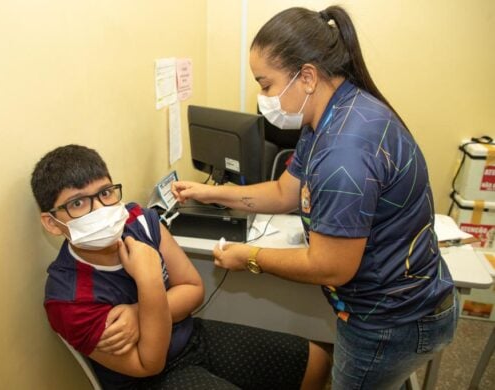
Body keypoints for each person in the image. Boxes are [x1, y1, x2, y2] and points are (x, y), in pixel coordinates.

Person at [172, 6, 457, 390]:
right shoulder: (331, 113)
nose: (262, 97)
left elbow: (331, 266)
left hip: (392, 322)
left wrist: (249, 258)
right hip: (397, 307)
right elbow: (284, 191)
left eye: (266, 84)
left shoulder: (344, 152)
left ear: (306, 76)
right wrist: (213, 193)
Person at [30, 144, 331, 390]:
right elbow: (149, 363)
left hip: (189, 336)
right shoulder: (68, 298)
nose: (101, 210)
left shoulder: (139, 221)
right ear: (52, 223)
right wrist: (148, 280)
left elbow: (193, 288)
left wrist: (138, 314)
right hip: (146, 380)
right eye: (78, 204)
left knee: (316, 361)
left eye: (106, 193)